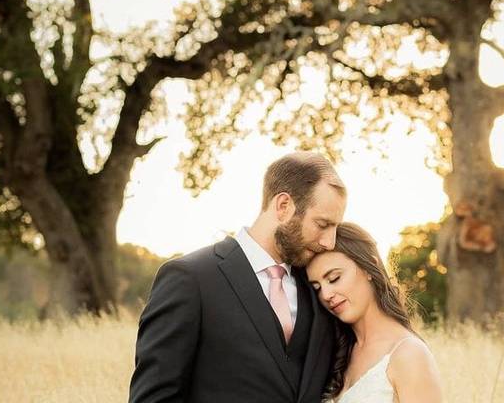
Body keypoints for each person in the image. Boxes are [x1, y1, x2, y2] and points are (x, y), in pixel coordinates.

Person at [128, 152, 348, 403]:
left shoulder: (318, 288)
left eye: (335, 228)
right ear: (283, 206)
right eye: (322, 224)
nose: (329, 242)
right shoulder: (190, 279)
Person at [306, 223, 443, 403]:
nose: (326, 294)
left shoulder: (409, 355)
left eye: (334, 278)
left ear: (369, 267)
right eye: (317, 288)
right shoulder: (335, 353)